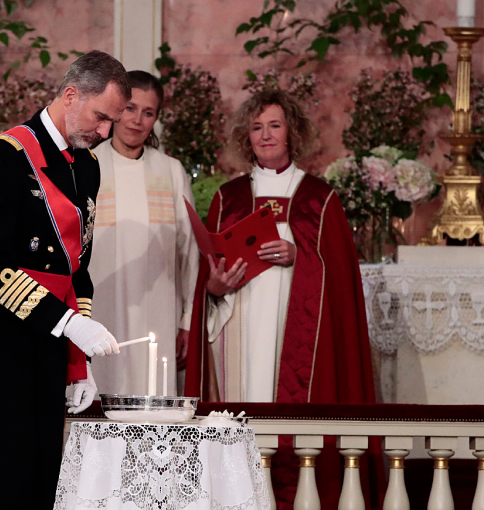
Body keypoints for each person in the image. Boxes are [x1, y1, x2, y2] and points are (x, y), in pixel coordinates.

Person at [0, 51, 130, 510]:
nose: (105, 133)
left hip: (43, 349)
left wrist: (78, 362)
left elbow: (76, 270)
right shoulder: (5, 157)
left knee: (39, 491)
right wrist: (69, 325)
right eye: (102, 117)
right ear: (71, 94)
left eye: (111, 123)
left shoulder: (87, 167)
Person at [184, 89, 380, 510]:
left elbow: (340, 279)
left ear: (292, 132)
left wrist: (302, 256)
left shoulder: (319, 199)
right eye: (256, 128)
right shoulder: (228, 197)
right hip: (240, 332)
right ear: (246, 138)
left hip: (296, 340)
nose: (266, 135)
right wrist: (215, 289)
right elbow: (208, 279)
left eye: (275, 125)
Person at [89, 70, 198, 396]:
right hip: (100, 312)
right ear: (116, 109)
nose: (137, 120)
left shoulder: (170, 171)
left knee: (154, 404)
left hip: (158, 317)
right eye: (130, 108)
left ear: (156, 119)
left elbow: (190, 251)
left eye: (148, 112)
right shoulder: (88, 165)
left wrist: (187, 320)